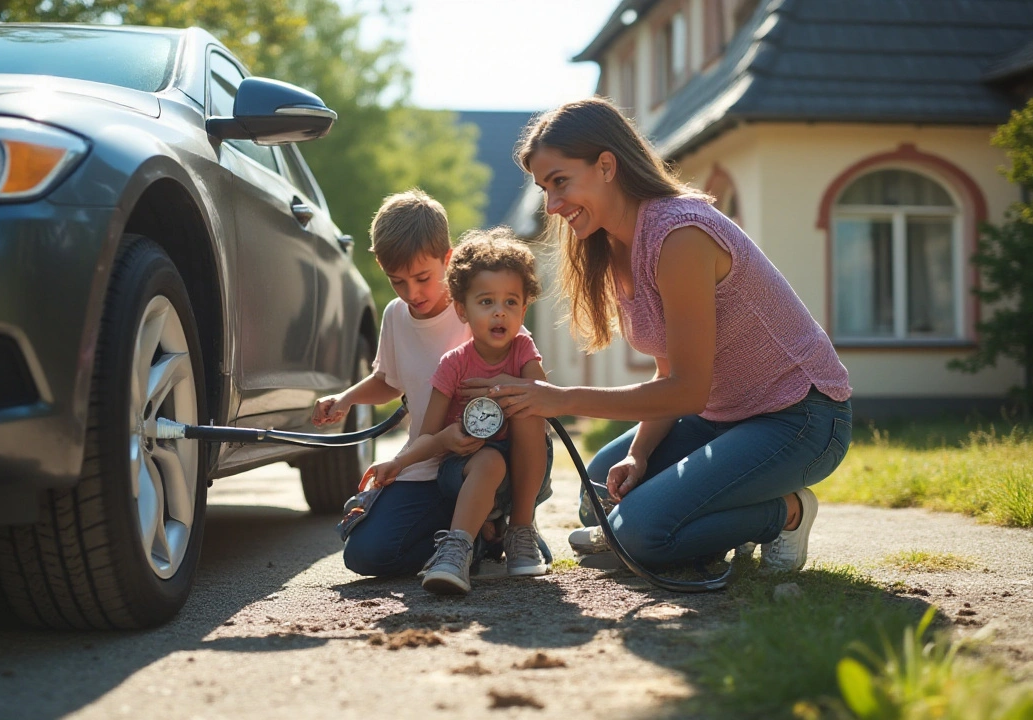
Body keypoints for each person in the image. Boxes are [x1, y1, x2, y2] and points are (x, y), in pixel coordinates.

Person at [469, 97, 852, 574]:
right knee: (599, 498)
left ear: (607, 165)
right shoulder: (612, 245)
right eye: (545, 189)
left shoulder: (680, 235)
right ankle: (707, 516)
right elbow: (669, 368)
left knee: (640, 535)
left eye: (560, 182)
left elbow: (687, 390)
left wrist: (561, 398)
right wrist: (639, 452)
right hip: (722, 418)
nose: (552, 205)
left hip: (800, 418)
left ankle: (786, 514)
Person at [312, 190, 551, 580]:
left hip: (497, 456)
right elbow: (388, 380)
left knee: (507, 436)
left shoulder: (486, 305)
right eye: (397, 282)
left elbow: (529, 378)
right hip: (431, 458)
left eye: (422, 278)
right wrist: (346, 398)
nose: (412, 293)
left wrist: (502, 388)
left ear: (447, 258)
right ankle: (477, 539)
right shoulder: (395, 316)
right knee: (366, 555)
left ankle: (515, 525)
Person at [360, 228, 552, 595]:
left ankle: (521, 528)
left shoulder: (523, 350)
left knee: (529, 406)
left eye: (511, 302)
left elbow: (544, 397)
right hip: (460, 470)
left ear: (524, 309)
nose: (500, 311)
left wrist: (508, 389)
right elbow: (428, 436)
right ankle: (457, 549)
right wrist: (398, 463)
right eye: (486, 302)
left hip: (523, 472)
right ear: (461, 310)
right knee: (488, 462)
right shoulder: (452, 366)